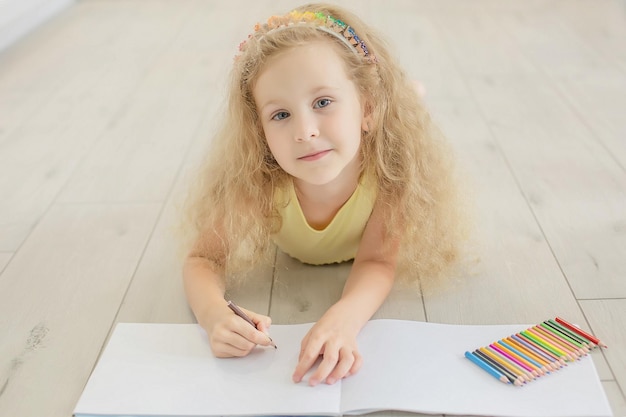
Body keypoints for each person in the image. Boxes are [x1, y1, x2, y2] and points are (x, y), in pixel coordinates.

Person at [182, 3, 465, 387]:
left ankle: (405, 96)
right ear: (259, 130)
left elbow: (377, 262)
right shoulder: (260, 184)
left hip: (377, 136)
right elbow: (202, 258)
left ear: (368, 107)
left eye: (322, 103)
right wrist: (215, 314)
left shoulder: (391, 175)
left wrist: (343, 317)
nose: (305, 131)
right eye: (280, 115)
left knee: (408, 103)